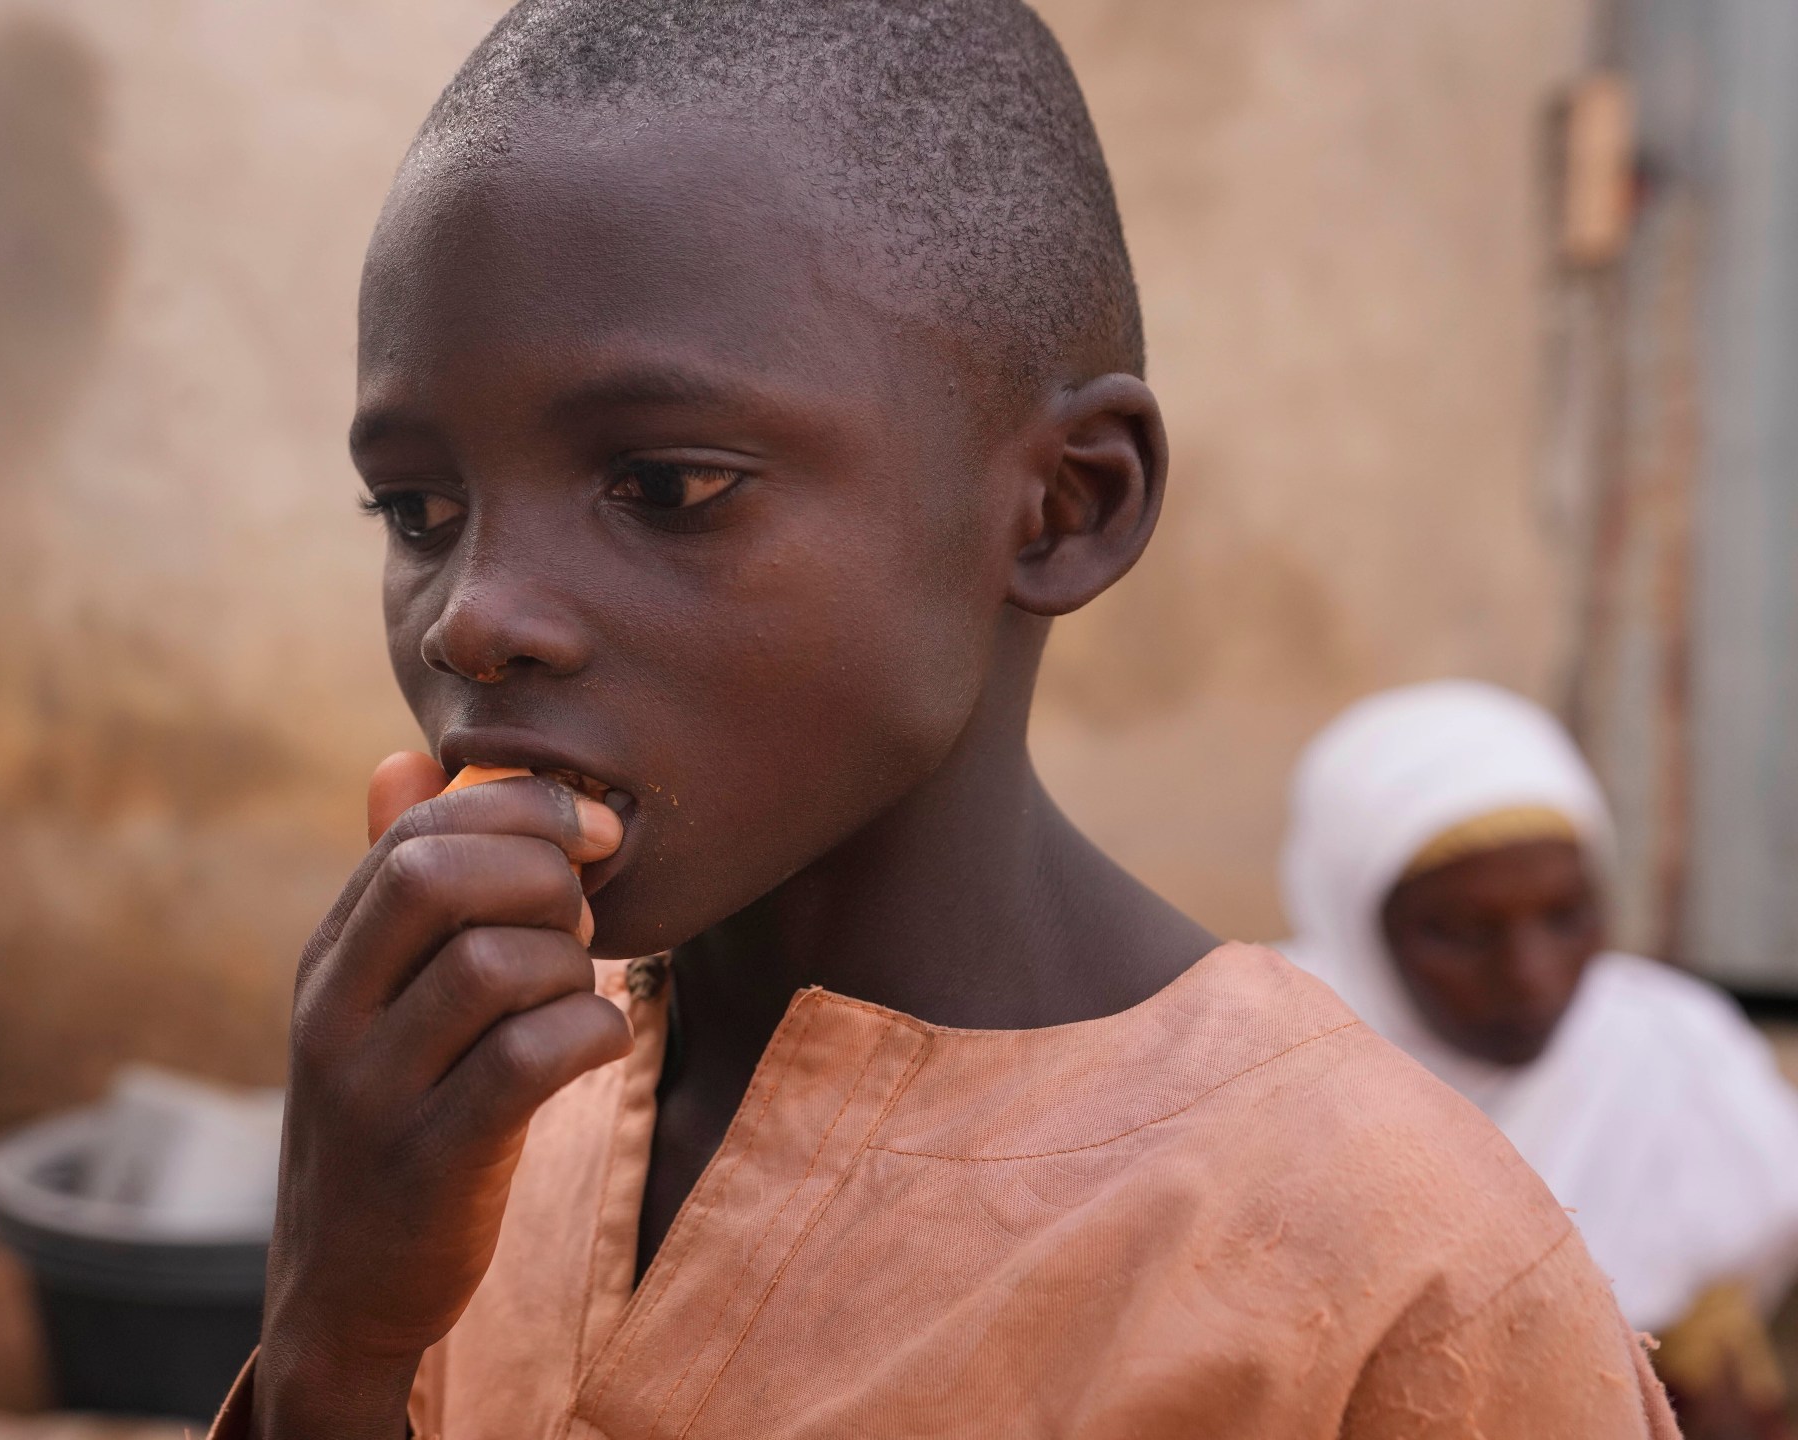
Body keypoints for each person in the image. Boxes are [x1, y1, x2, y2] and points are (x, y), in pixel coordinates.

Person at [221, 2, 1675, 1434]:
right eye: (418, 509)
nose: (474, 614)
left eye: (665, 487)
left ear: (1064, 505)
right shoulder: (473, 1122)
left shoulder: (1392, 1290)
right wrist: (333, 1342)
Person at [1283, 679, 1798, 1436]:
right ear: (1352, 921)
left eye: (1567, 916)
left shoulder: (1671, 1054)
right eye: (1459, 932)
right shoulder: (1262, 1071)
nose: (1531, 976)